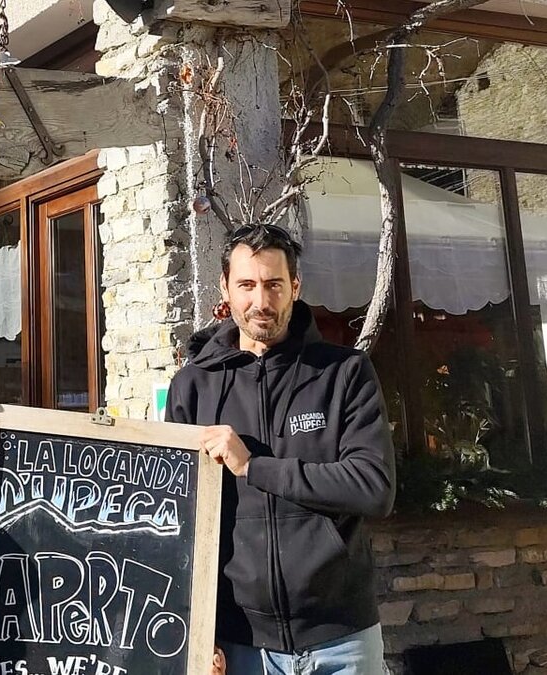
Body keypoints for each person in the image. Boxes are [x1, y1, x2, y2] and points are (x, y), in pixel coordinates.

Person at [166, 224, 395, 675]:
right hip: (240, 644)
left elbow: (374, 487)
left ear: (295, 286)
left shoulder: (343, 373)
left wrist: (255, 467)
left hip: (341, 641)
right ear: (226, 289)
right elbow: (178, 519)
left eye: (273, 285)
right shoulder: (193, 387)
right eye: (247, 285)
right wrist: (196, 627)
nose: (261, 302)